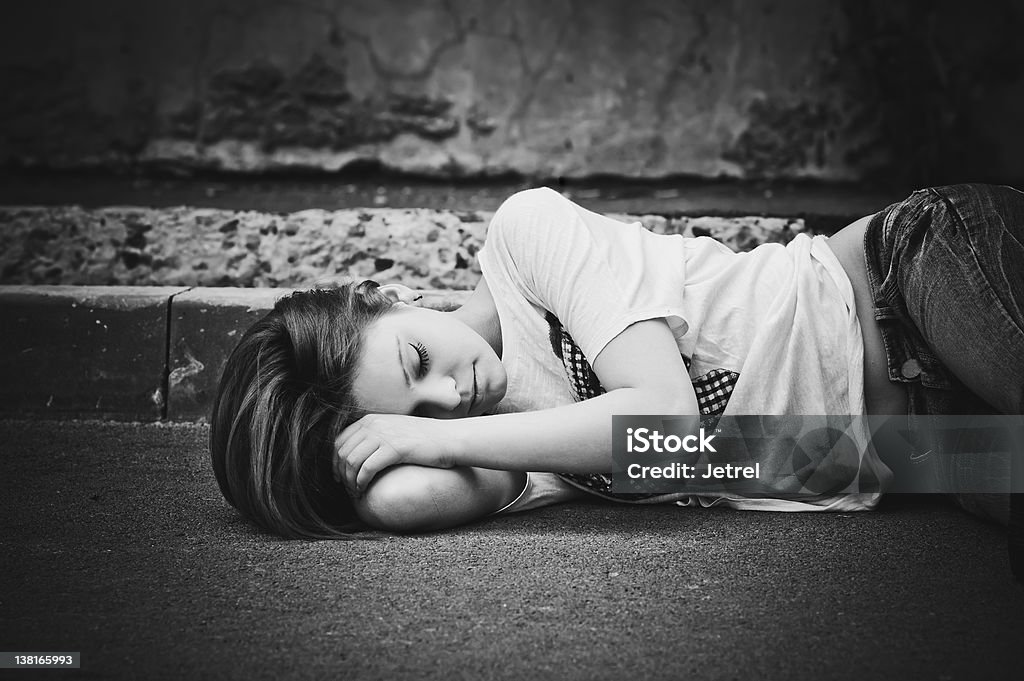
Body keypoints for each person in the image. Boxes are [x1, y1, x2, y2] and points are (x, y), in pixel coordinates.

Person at [210, 184, 1024, 541]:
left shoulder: (528, 242)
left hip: (908, 281)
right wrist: (396, 443)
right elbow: (401, 497)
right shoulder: (509, 453)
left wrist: (423, 433)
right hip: (919, 451)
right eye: (418, 412)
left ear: (383, 293)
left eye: (418, 359)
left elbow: (663, 420)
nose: (453, 394)